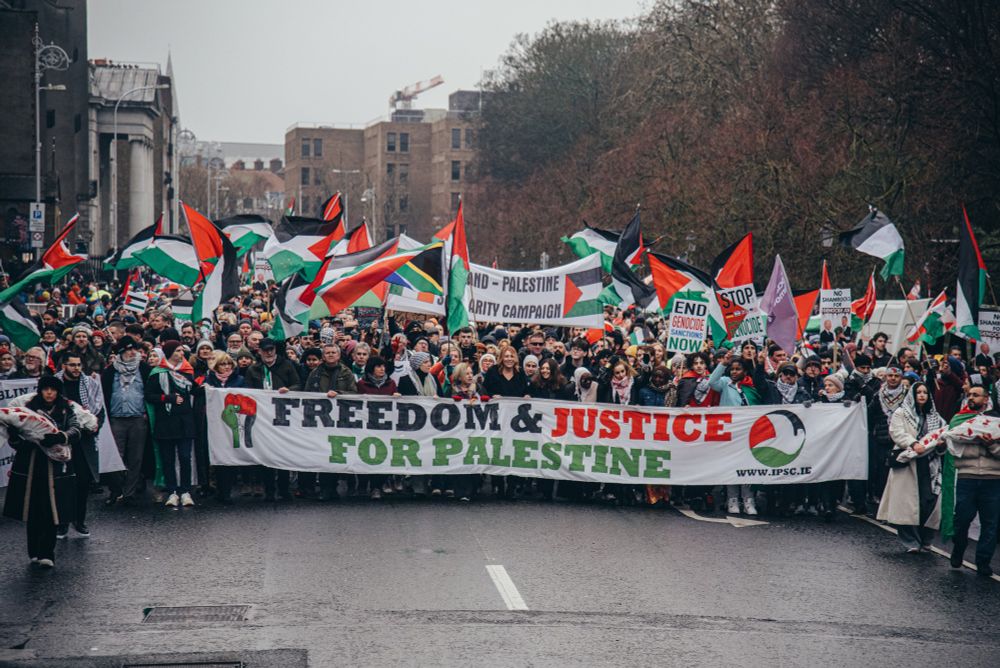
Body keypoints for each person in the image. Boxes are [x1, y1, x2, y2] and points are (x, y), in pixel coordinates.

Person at [2, 376, 86, 568]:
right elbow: (15, 437)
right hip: (31, 463)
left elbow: (76, 430)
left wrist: (60, 436)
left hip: (56, 466)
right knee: (32, 509)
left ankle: (47, 552)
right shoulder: (27, 409)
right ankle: (34, 551)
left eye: (53, 389)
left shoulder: (66, 409)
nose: (49, 393)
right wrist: (17, 439)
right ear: (40, 390)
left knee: (52, 510)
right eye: (46, 389)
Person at [877, 382, 946, 552]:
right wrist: (913, 443)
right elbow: (897, 432)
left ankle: (926, 539)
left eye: (925, 392)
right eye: (918, 392)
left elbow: (942, 436)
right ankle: (911, 542)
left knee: (929, 502)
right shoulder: (901, 413)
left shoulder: (936, 417)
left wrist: (940, 445)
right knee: (906, 505)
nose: (922, 395)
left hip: (929, 463)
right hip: (908, 462)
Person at [947, 383, 1000, 577]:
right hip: (967, 476)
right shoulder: (960, 421)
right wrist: (974, 440)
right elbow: (955, 449)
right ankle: (959, 548)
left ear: (985, 399)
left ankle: (983, 561)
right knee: (961, 518)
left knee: (990, 522)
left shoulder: (996, 420)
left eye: (976, 395)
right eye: (969, 394)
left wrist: (992, 446)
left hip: (993, 478)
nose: (971, 398)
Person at [244, 338, 301, 501]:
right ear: (259, 351)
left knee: (282, 453)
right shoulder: (253, 369)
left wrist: (288, 390)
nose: (269, 353)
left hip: (283, 416)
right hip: (262, 418)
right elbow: (248, 391)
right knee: (266, 455)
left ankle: (284, 489)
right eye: (266, 350)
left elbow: (298, 384)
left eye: (272, 349)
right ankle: (269, 490)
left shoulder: (286, 365)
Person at [55, 352, 104, 537]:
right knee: (63, 482)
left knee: (83, 481)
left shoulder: (90, 384)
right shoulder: (55, 385)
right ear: (64, 366)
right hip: (63, 439)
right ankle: (62, 523)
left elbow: (99, 410)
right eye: (72, 365)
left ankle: (80, 520)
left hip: (84, 440)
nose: (76, 369)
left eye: (78, 365)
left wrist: (95, 426)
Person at [145, 339, 196, 508]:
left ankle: (186, 490)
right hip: (165, 421)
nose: (182, 354)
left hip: (185, 421)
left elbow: (195, 390)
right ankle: (172, 491)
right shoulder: (157, 373)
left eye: (182, 351)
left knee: (184, 457)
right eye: (178, 351)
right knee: (167, 458)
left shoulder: (187, 372)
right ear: (170, 353)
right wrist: (167, 398)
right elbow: (149, 395)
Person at [709, 350, 761, 515]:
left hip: (748, 433)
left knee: (746, 466)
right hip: (730, 432)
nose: (734, 372)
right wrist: (723, 363)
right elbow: (712, 382)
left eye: (738, 369)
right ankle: (732, 499)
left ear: (745, 371)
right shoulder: (725, 383)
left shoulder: (751, 386)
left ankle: (748, 499)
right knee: (732, 465)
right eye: (732, 369)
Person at [304, 343, 357, 501]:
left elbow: (354, 393)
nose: (331, 355)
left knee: (337, 453)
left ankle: (336, 487)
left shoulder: (346, 373)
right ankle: (325, 488)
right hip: (321, 419)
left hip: (341, 419)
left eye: (334, 352)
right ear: (323, 356)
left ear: (339, 355)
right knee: (323, 453)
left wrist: (339, 394)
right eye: (327, 352)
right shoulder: (315, 373)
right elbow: (307, 394)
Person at [102, 337, 151, 505]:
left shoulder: (144, 369)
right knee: (116, 457)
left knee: (135, 457)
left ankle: (129, 492)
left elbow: (150, 391)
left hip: (138, 418)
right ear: (121, 352)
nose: (132, 352)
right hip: (117, 418)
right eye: (128, 350)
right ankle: (116, 491)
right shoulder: (110, 371)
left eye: (134, 349)